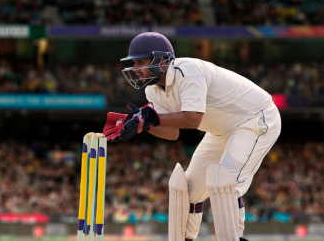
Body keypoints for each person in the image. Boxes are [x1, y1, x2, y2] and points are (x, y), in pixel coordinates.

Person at [102, 32, 280, 241]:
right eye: (134, 63)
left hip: (255, 119)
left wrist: (148, 117)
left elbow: (193, 119)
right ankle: (187, 238)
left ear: (161, 59)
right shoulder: (152, 91)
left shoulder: (187, 71)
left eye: (141, 62)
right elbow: (173, 133)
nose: (136, 69)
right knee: (189, 191)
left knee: (225, 184)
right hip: (220, 132)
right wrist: (143, 125)